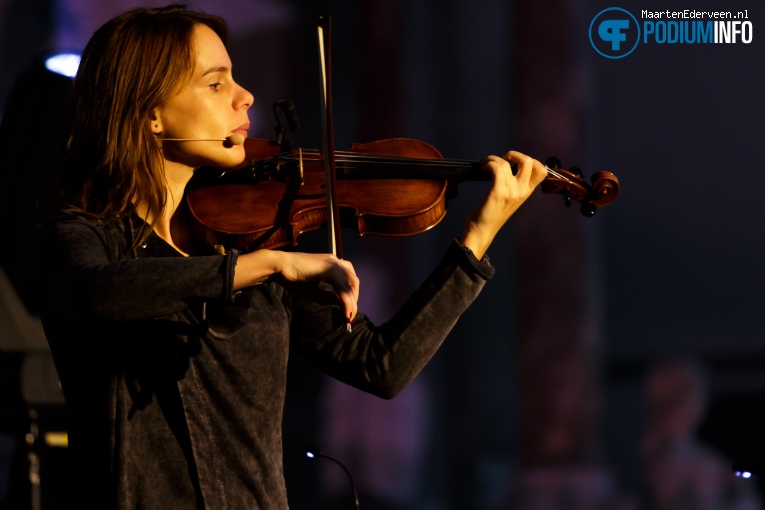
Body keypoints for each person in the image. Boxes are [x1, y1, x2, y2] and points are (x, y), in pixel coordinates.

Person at [37, 4, 548, 509]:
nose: (245, 97)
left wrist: (477, 237)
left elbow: (381, 365)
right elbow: (100, 293)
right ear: (150, 114)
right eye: (215, 84)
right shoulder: (83, 239)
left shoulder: (245, 233)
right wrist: (265, 265)